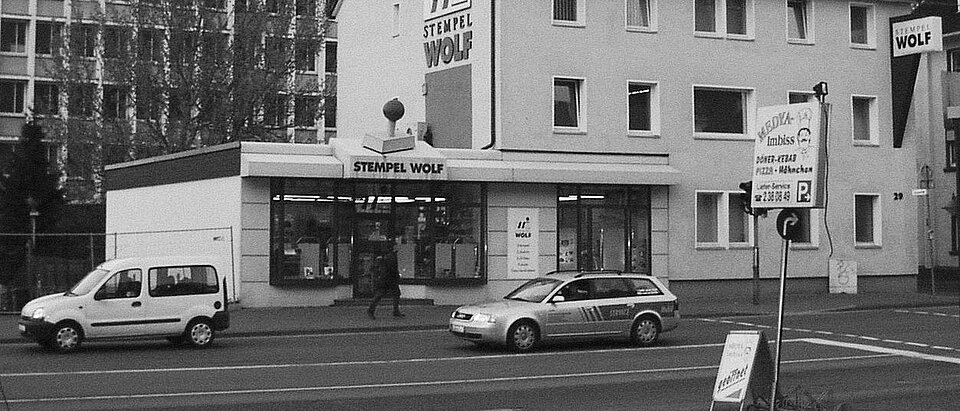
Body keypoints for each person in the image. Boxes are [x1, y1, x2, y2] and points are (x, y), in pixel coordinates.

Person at [367, 243, 404, 319]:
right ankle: (371, 310)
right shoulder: (391, 256)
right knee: (390, 294)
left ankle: (395, 311)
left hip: (386, 278)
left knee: (385, 294)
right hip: (389, 279)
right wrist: (397, 276)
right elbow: (392, 268)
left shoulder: (388, 256)